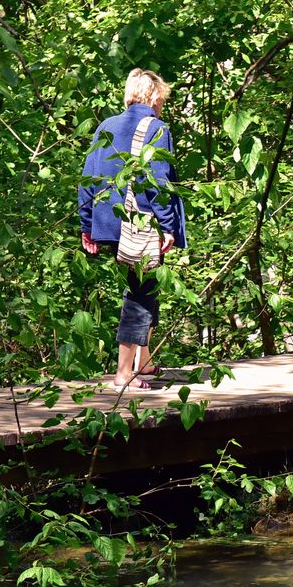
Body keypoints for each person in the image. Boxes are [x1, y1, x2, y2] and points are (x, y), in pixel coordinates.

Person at [79, 69, 186, 391]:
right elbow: (157, 182)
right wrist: (167, 225)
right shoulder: (156, 127)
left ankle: (145, 360)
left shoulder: (106, 126)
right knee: (139, 293)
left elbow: (88, 178)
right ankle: (124, 372)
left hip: (110, 221)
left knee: (146, 287)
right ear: (155, 97)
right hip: (141, 222)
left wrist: (87, 224)